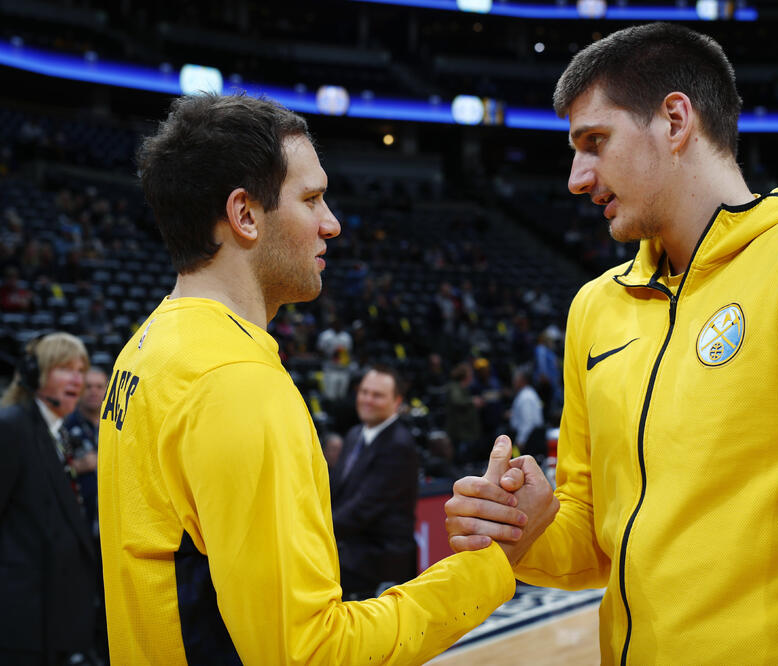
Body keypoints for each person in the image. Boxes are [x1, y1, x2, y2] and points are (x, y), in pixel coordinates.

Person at [444, 22, 778, 664]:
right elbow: (597, 533)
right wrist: (528, 528)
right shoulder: (596, 306)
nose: (576, 178)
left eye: (594, 143)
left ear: (675, 120)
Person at [97, 93, 557, 665]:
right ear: (244, 215)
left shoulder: (144, 349)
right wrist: (493, 563)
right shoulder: (236, 382)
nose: (332, 224)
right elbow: (311, 654)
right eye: (311, 199)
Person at [0, 332, 98, 664]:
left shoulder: (55, 430)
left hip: (53, 612)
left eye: (80, 369)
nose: (77, 379)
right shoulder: (11, 427)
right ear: (33, 374)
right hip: (20, 617)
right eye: (63, 368)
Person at [330, 366, 419, 599]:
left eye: (377, 395)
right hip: (352, 552)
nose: (368, 400)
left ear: (397, 401)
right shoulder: (354, 434)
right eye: (364, 392)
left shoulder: (398, 445)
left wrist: (316, 533)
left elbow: (363, 509)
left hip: (379, 560)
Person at [63, 366, 108, 536]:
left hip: (110, 515)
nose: (93, 392)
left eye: (99, 386)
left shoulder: (117, 423)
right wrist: (77, 466)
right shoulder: (65, 423)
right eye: (88, 386)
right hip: (78, 518)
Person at [509, 368, 545, 459]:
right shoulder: (526, 394)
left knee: (521, 462)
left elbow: (527, 422)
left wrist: (520, 441)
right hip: (529, 436)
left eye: (515, 380)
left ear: (522, 380)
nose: (513, 382)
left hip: (529, 439)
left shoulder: (526, 397)